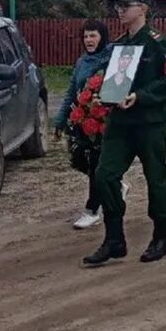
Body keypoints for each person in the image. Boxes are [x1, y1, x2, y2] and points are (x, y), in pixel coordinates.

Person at [83, 0, 166, 266]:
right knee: (104, 175)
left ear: (143, 8)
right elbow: (114, 80)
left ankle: (160, 237)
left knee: (156, 178)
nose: (120, 10)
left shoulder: (158, 43)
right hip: (121, 122)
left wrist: (140, 96)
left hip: (150, 123)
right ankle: (114, 239)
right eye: (118, 6)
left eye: (126, 5)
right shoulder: (119, 45)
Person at [55, 19, 114, 230]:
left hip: (105, 121)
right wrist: (60, 120)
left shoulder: (111, 58)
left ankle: (92, 210)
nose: (89, 40)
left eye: (93, 35)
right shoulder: (82, 62)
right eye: (86, 36)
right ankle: (114, 184)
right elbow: (72, 91)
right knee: (82, 162)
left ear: (102, 36)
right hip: (83, 121)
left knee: (97, 165)